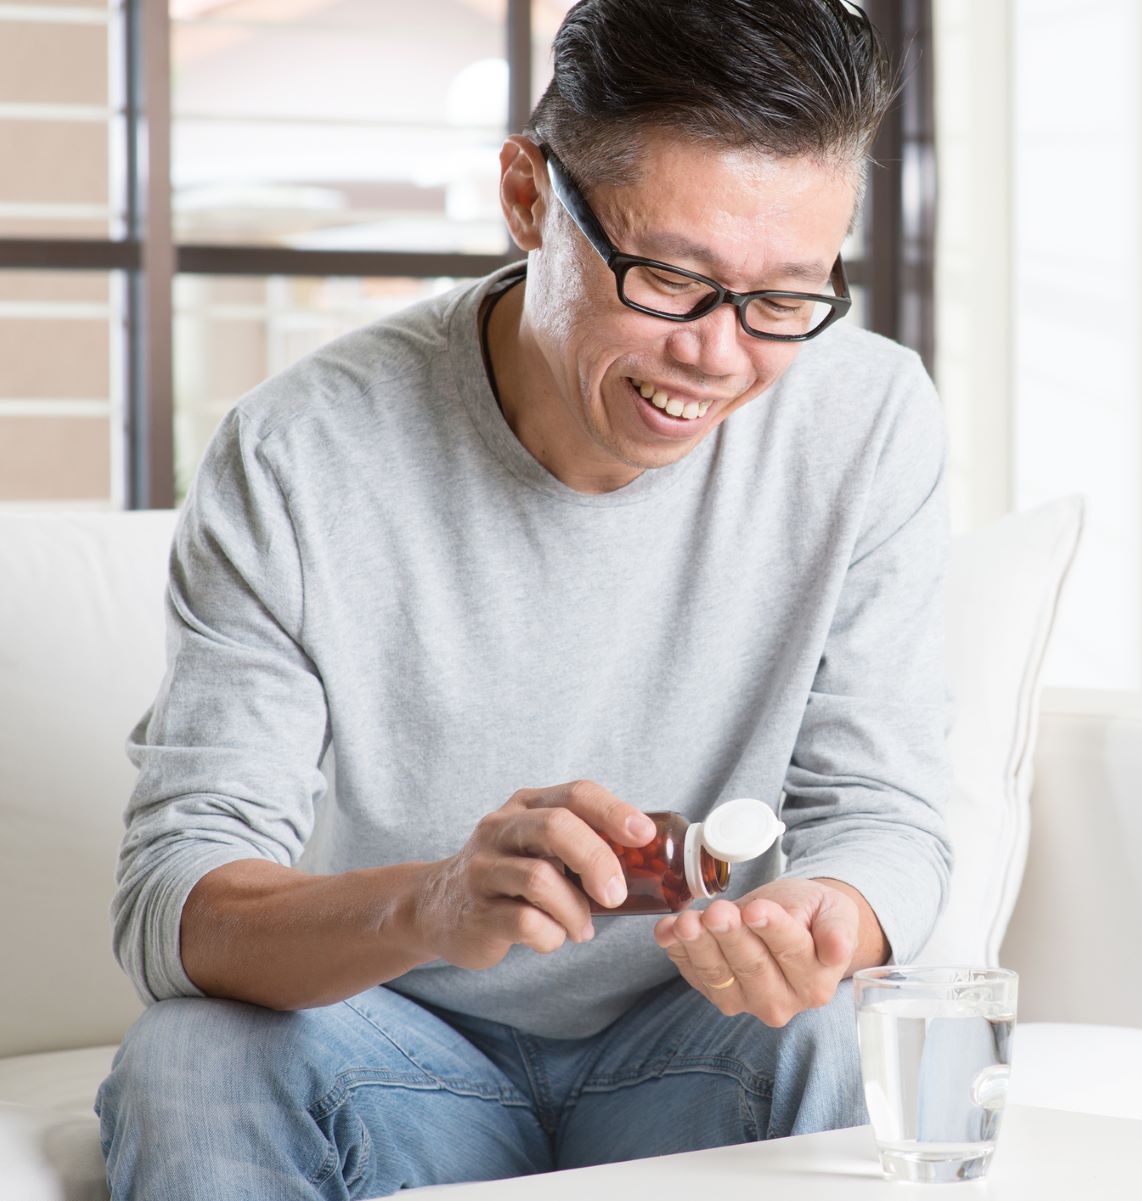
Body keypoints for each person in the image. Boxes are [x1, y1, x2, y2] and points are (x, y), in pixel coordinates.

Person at [93, 2, 954, 1196]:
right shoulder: (300, 451)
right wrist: (432, 904)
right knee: (189, 1057)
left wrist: (828, 914)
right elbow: (175, 903)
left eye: (784, 299)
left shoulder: (870, 418)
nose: (717, 355)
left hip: (696, 1046)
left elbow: (886, 812)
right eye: (671, 279)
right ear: (526, 197)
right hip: (395, 1049)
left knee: (849, 1024)